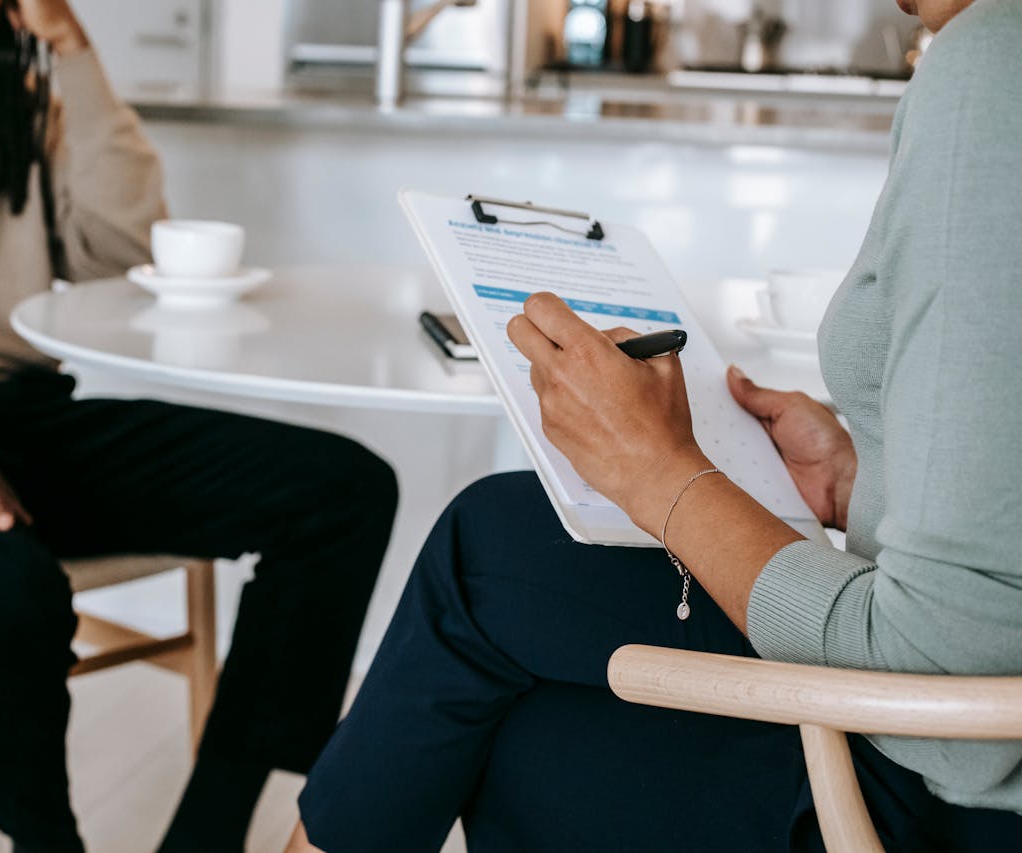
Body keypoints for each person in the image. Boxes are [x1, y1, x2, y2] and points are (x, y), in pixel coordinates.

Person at [286, 0, 1022, 850]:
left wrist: (659, 473)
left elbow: (951, 695)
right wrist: (859, 482)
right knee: (508, 639)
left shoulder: (993, 58)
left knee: (490, 557)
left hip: (950, 803)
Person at [0, 1, 397, 851]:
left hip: (16, 408)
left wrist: (74, 54)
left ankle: (210, 830)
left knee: (341, 491)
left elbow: (116, 255)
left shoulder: (1, 65)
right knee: (2, 596)